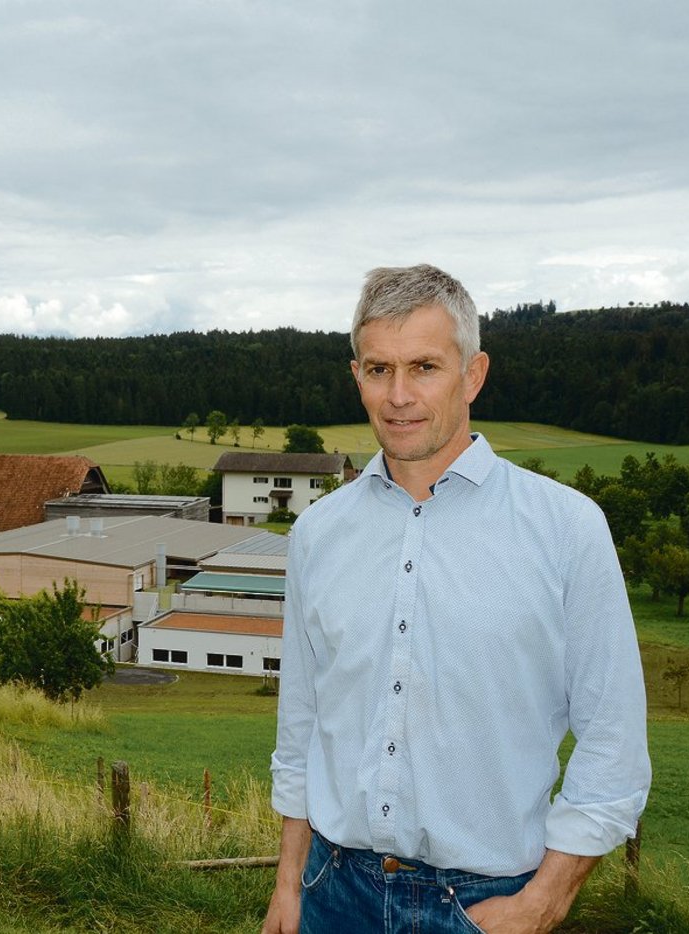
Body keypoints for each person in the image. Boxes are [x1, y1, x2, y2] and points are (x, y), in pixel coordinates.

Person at [263, 264, 650, 934]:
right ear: (356, 375)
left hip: (485, 905)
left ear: (473, 374)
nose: (399, 395)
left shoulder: (566, 528)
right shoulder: (317, 535)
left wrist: (542, 903)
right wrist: (289, 887)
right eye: (379, 369)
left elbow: (613, 746)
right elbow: (302, 730)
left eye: (425, 367)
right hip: (333, 892)